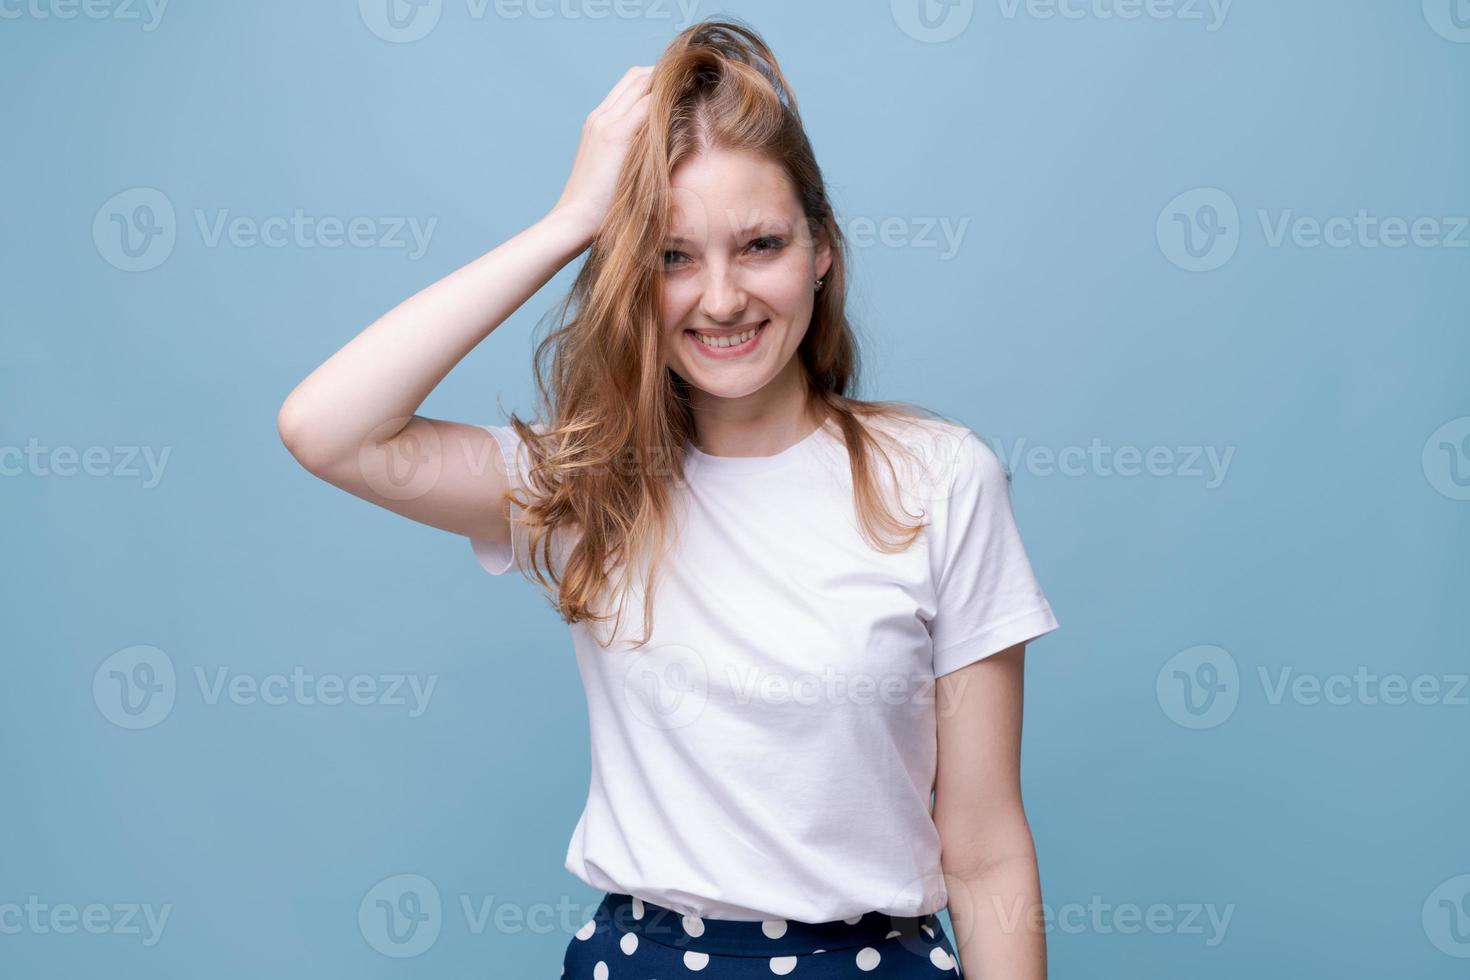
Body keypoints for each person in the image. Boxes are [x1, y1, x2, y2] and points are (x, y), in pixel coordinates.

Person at [277, 18, 1059, 979]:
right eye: (671, 256)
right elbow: (328, 429)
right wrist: (570, 221)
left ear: (821, 250)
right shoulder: (582, 487)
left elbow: (983, 849)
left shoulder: (939, 479)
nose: (721, 298)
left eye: (760, 244)